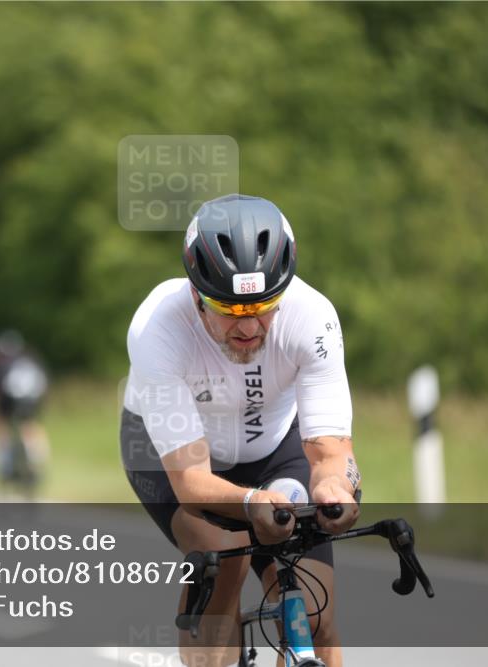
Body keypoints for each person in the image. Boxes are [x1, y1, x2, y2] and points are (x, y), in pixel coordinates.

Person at [121, 194, 362, 667]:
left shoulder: (313, 318)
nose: (250, 327)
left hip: (273, 444)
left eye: (266, 306)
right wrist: (251, 502)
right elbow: (191, 482)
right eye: (229, 310)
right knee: (223, 557)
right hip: (175, 455)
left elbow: (331, 452)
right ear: (195, 295)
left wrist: (337, 487)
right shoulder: (157, 327)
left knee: (316, 613)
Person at [0, 330, 50, 493]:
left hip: (10, 396)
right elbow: (45, 381)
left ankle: (3, 463)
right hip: (34, 396)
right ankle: (37, 461)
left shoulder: (2, 364)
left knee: (0, 424)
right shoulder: (32, 359)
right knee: (31, 426)